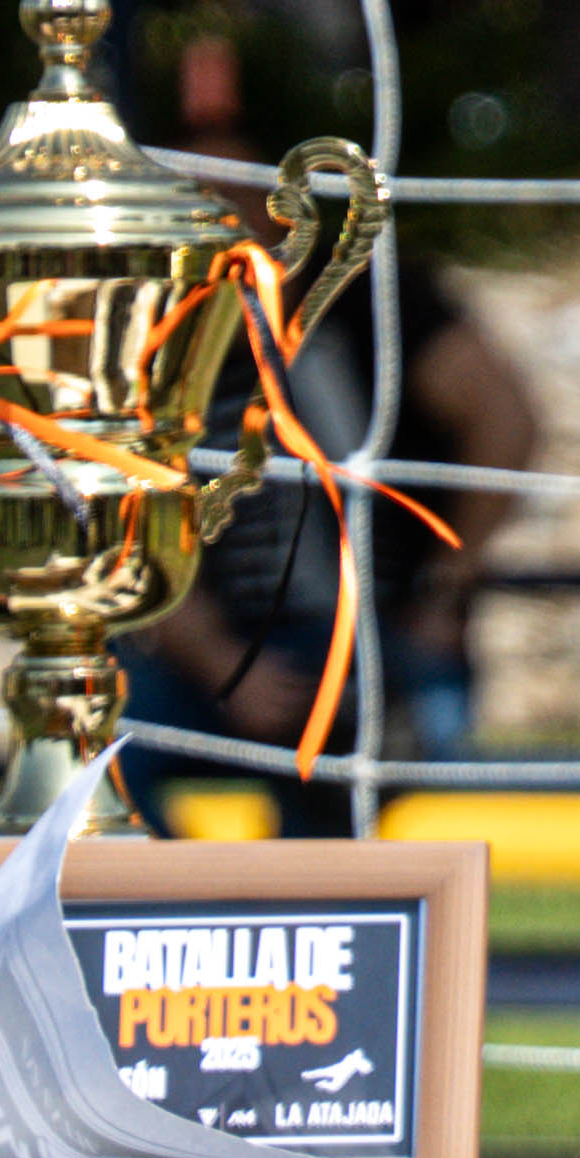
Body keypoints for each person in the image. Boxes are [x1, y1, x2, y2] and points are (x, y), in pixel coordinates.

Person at [124, 249, 535, 834]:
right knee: (96, 737)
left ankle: (276, 899)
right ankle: (184, 903)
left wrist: (445, 588)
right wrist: (222, 665)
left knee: (373, 751)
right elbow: (134, 533)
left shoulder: (373, 316)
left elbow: (506, 416)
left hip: (375, 638)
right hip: (213, 654)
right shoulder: (156, 364)